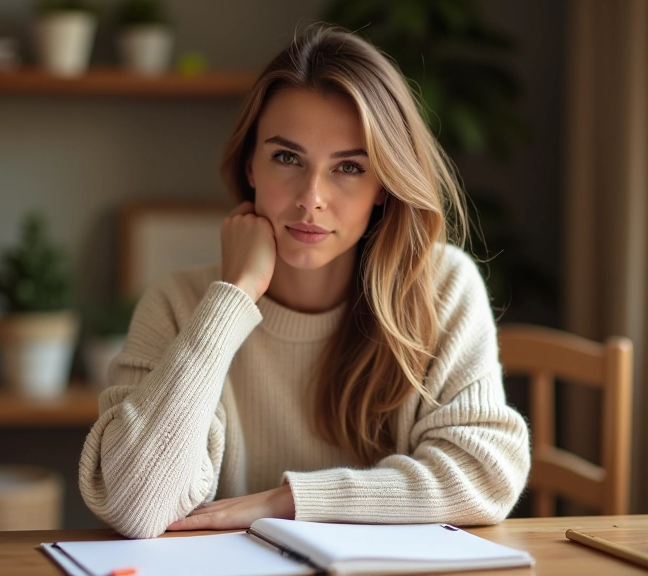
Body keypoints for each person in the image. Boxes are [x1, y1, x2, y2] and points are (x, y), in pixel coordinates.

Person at [78, 25, 530, 539]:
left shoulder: (443, 288)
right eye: (287, 158)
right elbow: (134, 503)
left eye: (349, 167)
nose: (311, 197)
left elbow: (486, 475)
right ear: (250, 164)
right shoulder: (179, 303)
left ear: (384, 185)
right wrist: (233, 300)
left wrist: (289, 501)